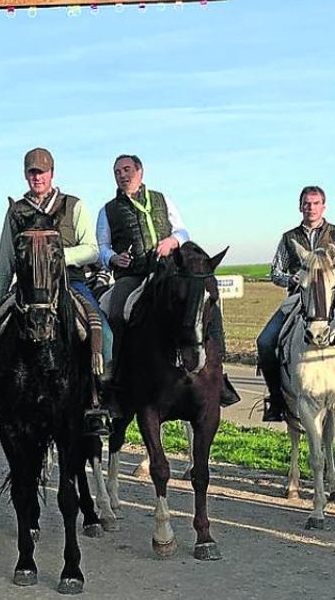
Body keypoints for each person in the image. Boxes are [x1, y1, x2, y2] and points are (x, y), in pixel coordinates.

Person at [0, 147, 111, 438]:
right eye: (32, 172)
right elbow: (6, 261)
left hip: (70, 282)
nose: (37, 177)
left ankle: (97, 402)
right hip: (26, 287)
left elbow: (92, 249)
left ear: (52, 174)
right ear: (26, 175)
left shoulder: (74, 205)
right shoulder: (16, 211)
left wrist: (56, 256)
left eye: (42, 172)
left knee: (103, 333)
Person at [95, 154, 240, 409]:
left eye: (127, 169)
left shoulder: (163, 199)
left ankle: (219, 376)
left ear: (140, 172)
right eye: (117, 172)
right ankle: (115, 382)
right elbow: (102, 247)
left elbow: (182, 231)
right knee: (116, 312)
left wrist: (172, 242)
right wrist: (114, 258)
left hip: (168, 272)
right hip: (133, 275)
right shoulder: (107, 210)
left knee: (206, 304)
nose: (122, 175)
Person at [257, 186, 335, 421]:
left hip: (334, 298)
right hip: (299, 297)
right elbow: (275, 272)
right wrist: (290, 278)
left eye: (315, 203)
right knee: (264, 342)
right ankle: (276, 400)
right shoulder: (289, 238)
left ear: (323, 206)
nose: (311, 208)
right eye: (306, 203)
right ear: (300, 207)